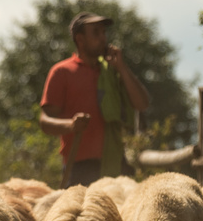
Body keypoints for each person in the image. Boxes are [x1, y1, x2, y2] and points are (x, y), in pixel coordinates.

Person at [38, 12, 151, 188]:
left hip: (115, 163)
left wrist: (122, 67)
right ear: (80, 39)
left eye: (104, 33)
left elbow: (142, 104)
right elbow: (44, 122)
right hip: (80, 167)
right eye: (96, 33)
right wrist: (71, 125)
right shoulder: (62, 72)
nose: (103, 38)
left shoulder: (112, 71)